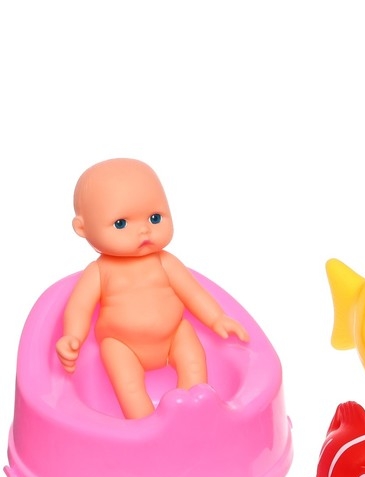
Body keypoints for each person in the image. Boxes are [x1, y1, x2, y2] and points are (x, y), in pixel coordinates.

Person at [56, 158, 249, 419]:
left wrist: (217, 318)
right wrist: (72, 337)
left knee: (192, 356)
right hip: (122, 344)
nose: (144, 230)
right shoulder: (99, 272)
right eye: (121, 223)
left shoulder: (166, 262)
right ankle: (144, 424)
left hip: (173, 335)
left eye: (155, 218)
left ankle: (193, 412)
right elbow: (79, 307)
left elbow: (193, 293)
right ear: (82, 227)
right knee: (128, 383)